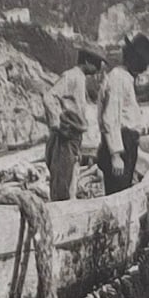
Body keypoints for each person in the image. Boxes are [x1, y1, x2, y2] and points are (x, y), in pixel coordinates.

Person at [43, 46, 106, 201]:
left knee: (71, 175)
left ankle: (69, 204)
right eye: (96, 64)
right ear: (87, 61)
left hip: (74, 136)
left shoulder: (80, 78)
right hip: (66, 137)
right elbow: (49, 97)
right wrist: (58, 124)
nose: (98, 68)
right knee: (63, 178)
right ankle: (63, 207)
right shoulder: (71, 76)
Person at [97, 33, 149, 195]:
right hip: (122, 143)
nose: (145, 67)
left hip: (126, 142)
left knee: (124, 189)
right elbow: (110, 117)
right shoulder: (118, 78)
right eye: (143, 62)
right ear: (134, 59)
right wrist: (115, 154)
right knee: (119, 192)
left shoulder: (125, 77)